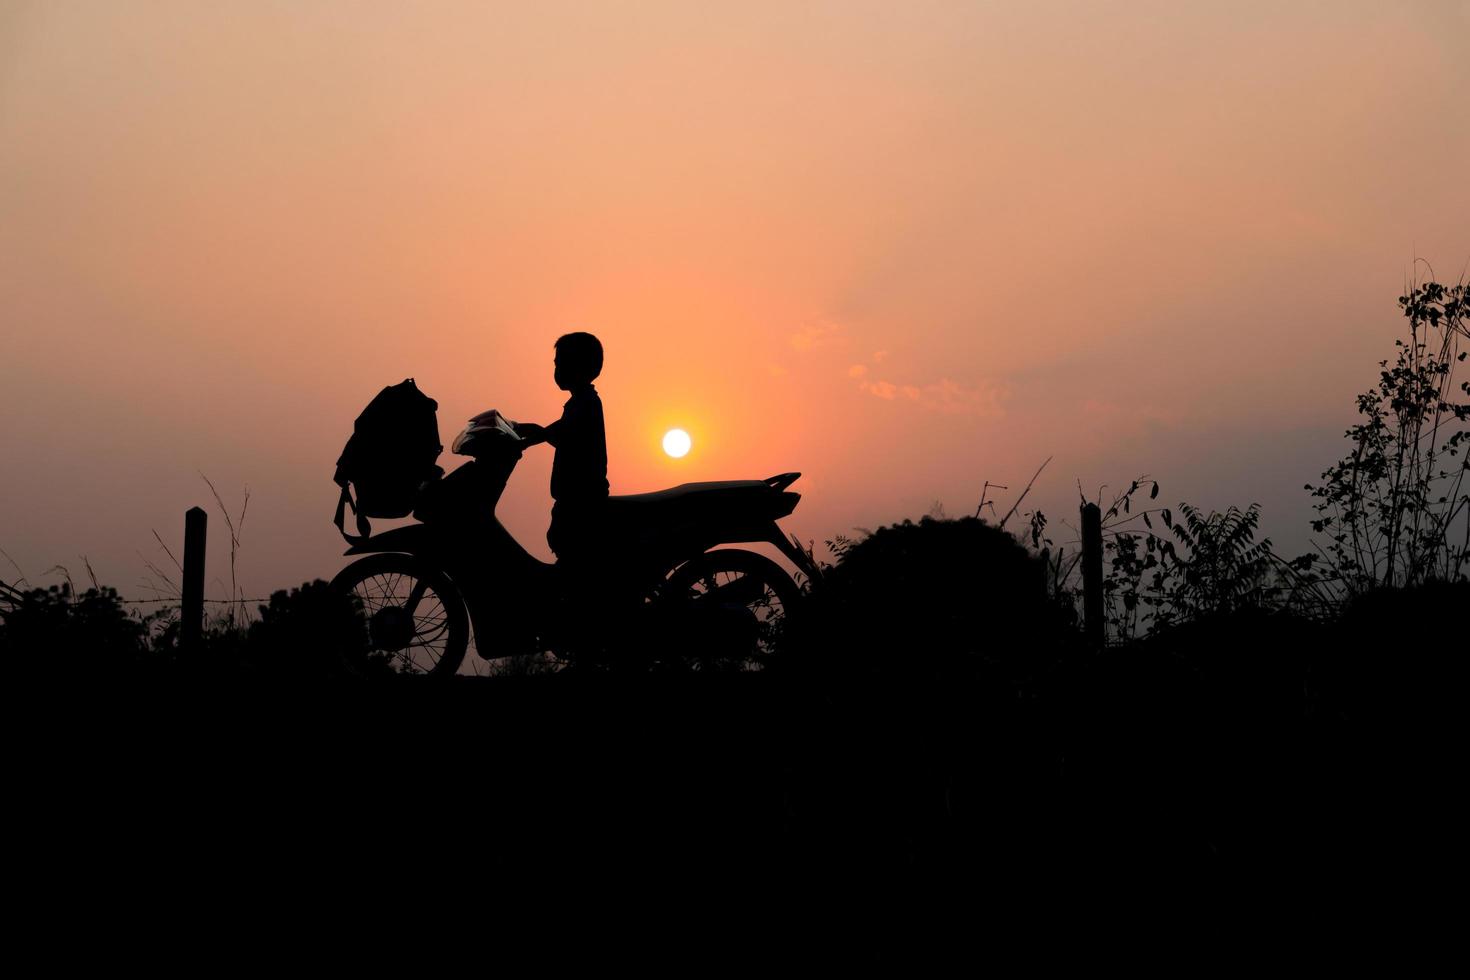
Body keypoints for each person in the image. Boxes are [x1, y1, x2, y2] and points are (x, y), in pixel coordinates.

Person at [514, 331, 610, 568]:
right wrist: (532, 433)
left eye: (562, 363)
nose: (557, 370)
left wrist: (534, 436)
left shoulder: (586, 403)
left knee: (573, 558)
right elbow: (562, 431)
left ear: (580, 366)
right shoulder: (580, 402)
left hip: (582, 502)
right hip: (573, 499)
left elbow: (565, 432)